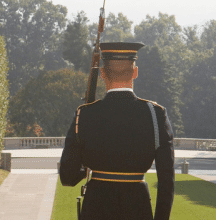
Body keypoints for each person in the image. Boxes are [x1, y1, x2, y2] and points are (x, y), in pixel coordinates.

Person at [59, 42, 175, 220]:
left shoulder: (85, 114)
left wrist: (87, 166)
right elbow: (167, 182)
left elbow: (67, 176)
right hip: (138, 209)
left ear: (103, 73)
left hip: (95, 210)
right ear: (135, 72)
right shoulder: (155, 114)